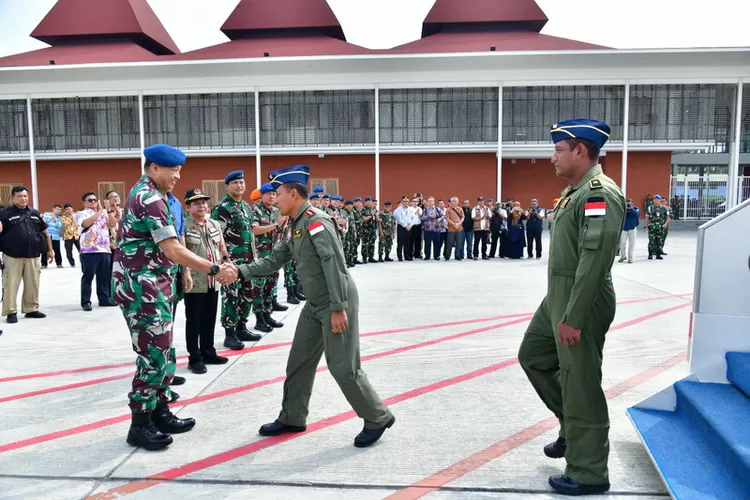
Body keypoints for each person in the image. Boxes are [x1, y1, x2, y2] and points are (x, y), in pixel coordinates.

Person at [236, 165, 395, 448]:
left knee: (343, 367)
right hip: (315, 302)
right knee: (299, 362)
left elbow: (334, 264)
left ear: (293, 194)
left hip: (335, 300)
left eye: (278, 193)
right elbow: (274, 259)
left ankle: (377, 417)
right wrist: (238, 272)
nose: (274, 200)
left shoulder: (315, 221)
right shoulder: (293, 223)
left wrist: (337, 308)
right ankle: (293, 417)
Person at [518, 119, 625, 496]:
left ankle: (589, 470)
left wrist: (574, 317)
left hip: (583, 298)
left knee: (581, 384)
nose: (552, 158)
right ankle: (572, 428)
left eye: (559, 150)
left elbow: (594, 262)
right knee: (533, 355)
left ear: (581, 150)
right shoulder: (574, 192)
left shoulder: (599, 194)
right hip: (558, 296)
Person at [112, 144, 238, 451]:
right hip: (141, 289)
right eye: (173, 170)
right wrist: (213, 268)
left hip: (156, 285)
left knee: (165, 352)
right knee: (153, 355)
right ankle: (140, 424)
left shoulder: (160, 196)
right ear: (154, 168)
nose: (178, 176)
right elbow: (173, 249)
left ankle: (161, 412)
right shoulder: (149, 197)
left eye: (180, 170)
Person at [182, 188, 231, 374]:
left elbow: (222, 247)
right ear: (188, 207)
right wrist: (185, 272)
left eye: (203, 202)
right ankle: (194, 357)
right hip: (195, 281)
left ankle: (208, 351)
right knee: (194, 320)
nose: (201, 205)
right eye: (196, 203)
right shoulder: (184, 226)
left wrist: (228, 263)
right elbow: (182, 253)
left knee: (209, 318)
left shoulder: (214, 224)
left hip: (214, 280)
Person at [0, 186, 54, 323]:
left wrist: (50, 250)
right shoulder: (4, 214)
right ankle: (11, 311)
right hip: (12, 255)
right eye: (19, 196)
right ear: (12, 198)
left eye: (25, 196)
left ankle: (31, 309)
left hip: (33, 255)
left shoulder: (34, 213)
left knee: (33, 283)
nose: (23, 199)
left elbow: (45, 232)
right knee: (10, 284)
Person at [618, 198, 640, 263]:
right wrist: (625, 208)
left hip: (632, 229)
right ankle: (623, 256)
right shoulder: (623, 209)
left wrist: (631, 208)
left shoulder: (636, 208)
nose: (628, 205)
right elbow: (620, 215)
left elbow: (636, 214)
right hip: (624, 229)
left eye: (629, 203)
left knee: (632, 244)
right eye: (627, 203)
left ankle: (630, 258)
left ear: (632, 203)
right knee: (622, 243)